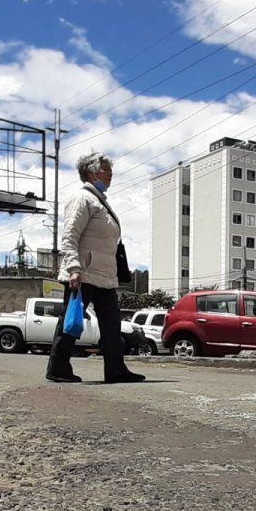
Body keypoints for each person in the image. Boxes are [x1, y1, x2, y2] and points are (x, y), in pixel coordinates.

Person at [46, 153, 146, 384]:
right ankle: (57, 368)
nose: (110, 174)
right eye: (105, 169)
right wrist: (73, 268)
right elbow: (69, 236)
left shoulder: (99, 200)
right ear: (91, 172)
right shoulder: (83, 198)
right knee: (70, 321)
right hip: (83, 273)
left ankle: (116, 369)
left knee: (112, 325)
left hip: (104, 276)